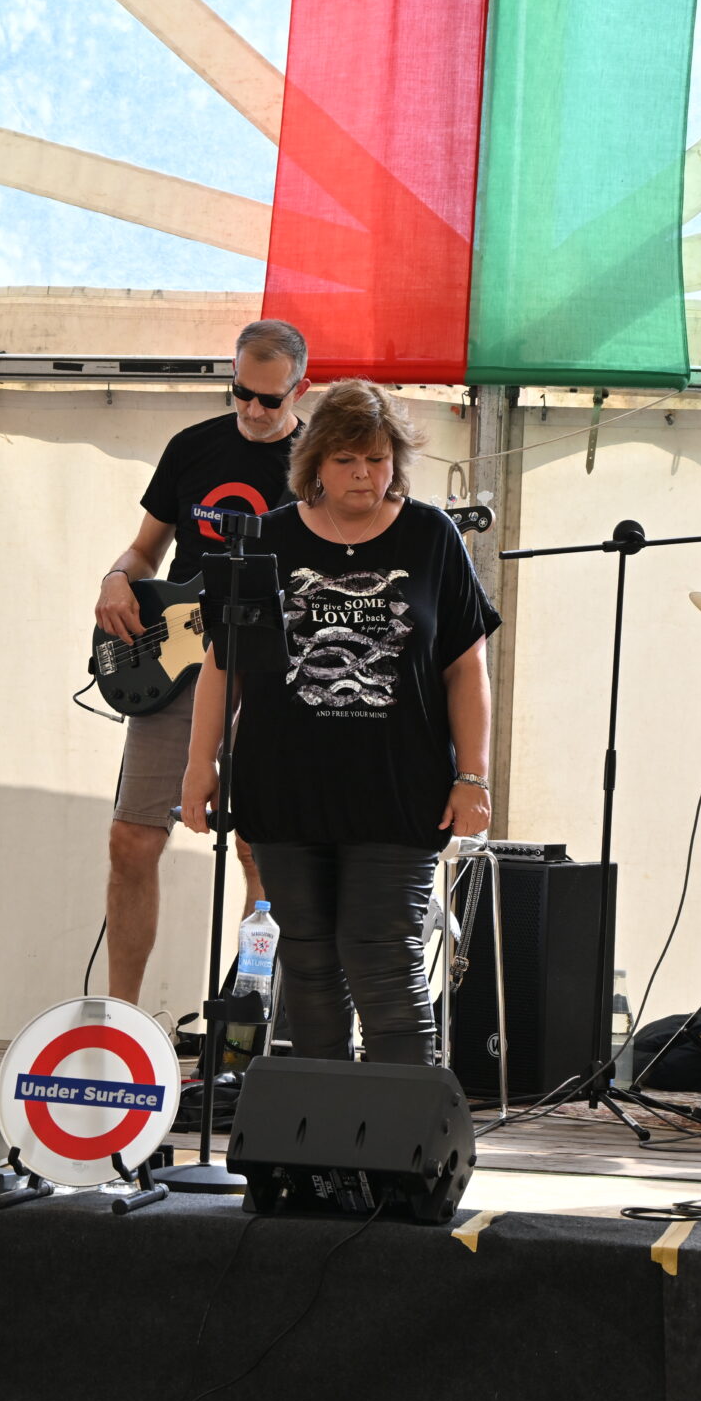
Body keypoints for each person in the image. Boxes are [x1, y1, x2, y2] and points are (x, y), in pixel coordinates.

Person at [179, 379, 495, 1065]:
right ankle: (320, 1121)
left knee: (384, 958)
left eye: (377, 460)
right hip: (286, 787)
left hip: (400, 791)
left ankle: (401, 1126)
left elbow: (466, 667)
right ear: (315, 461)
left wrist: (472, 776)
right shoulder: (267, 539)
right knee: (308, 965)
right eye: (347, 459)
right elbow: (223, 667)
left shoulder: (432, 536)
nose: (363, 474)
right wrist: (201, 764)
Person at [91, 321, 308, 1006]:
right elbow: (144, 550)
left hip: (271, 671)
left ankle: (249, 1018)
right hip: (181, 663)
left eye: (270, 400)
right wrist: (117, 578)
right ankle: (123, 1019)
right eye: (242, 392)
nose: (253, 410)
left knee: (258, 850)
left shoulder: (317, 466)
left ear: (300, 390)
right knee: (131, 839)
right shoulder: (192, 446)